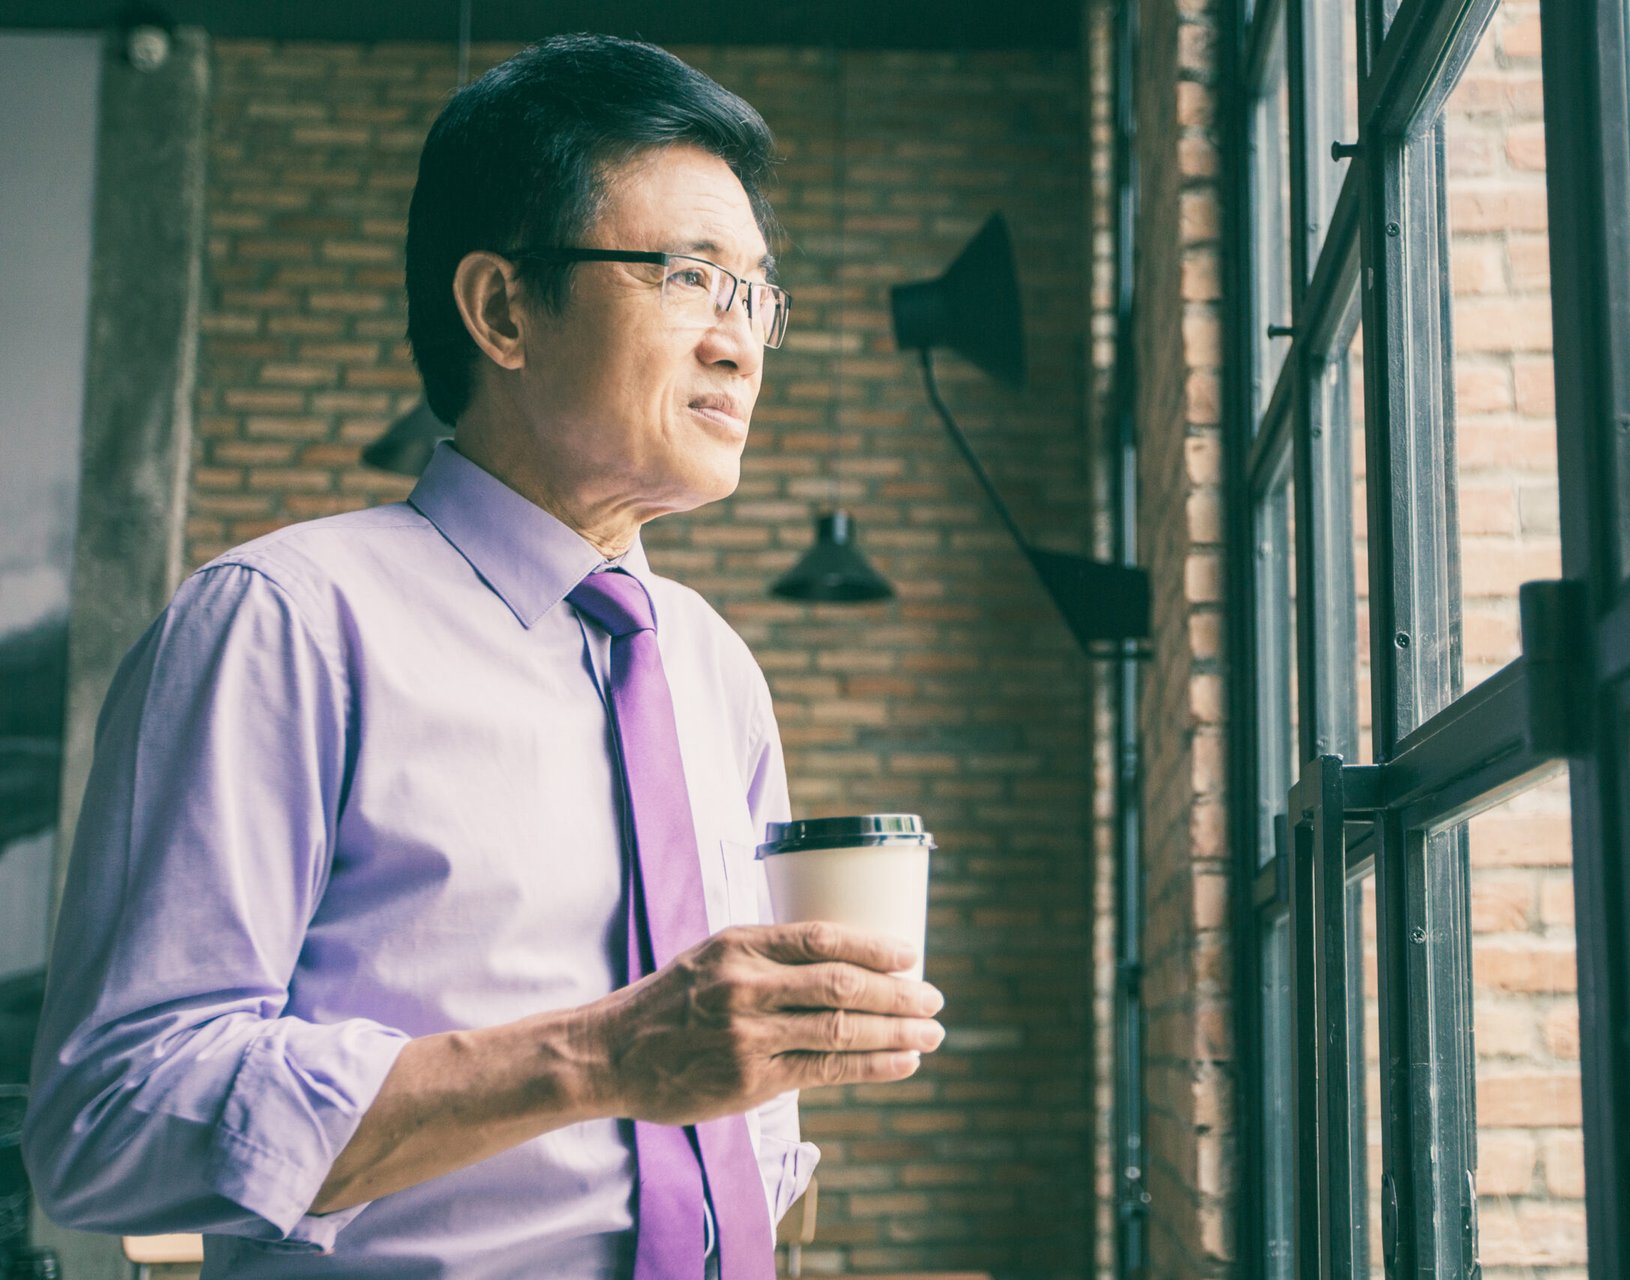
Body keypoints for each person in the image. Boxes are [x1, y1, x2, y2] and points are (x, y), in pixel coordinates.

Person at [23, 33, 945, 1280]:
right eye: (686, 276)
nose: (740, 343)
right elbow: (112, 1118)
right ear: (504, 308)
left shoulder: (715, 671)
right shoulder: (284, 623)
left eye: (756, 293)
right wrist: (600, 1060)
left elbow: (727, 1112)